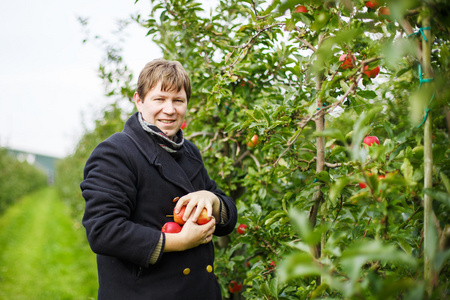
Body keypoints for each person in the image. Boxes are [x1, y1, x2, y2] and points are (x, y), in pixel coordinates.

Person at [81, 59, 238, 299]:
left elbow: (226, 215)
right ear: (139, 100)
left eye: (178, 100)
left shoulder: (189, 152)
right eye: (159, 99)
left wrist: (212, 199)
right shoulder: (116, 152)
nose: (170, 109)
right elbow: (103, 230)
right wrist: (178, 241)